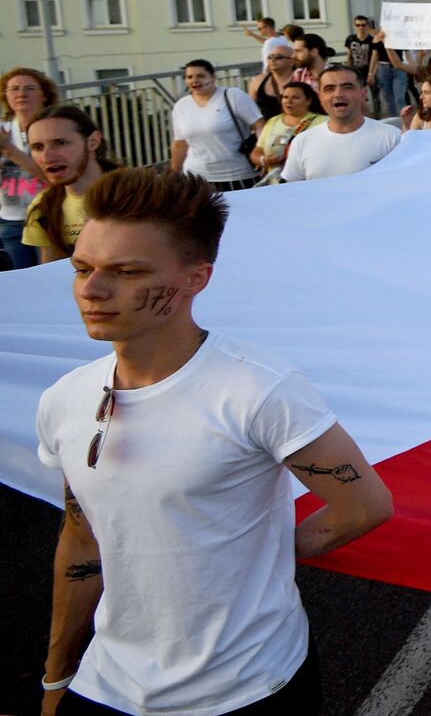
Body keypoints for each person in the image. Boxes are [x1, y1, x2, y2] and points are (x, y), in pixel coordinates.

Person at [36, 168, 392, 716]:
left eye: (127, 272)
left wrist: (273, 553)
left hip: (250, 688)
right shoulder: (64, 399)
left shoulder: (259, 391)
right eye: (82, 268)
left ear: (196, 278)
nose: (92, 290)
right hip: (107, 685)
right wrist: (57, 676)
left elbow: (363, 504)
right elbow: (82, 541)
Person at [22, 106, 122, 263]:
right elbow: (51, 273)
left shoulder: (138, 194)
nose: (47, 156)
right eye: (38, 147)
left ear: (93, 142)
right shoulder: (43, 207)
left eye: (60, 143)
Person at [280, 64, 400, 182]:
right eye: (329, 89)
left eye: (347, 87)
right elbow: (292, 192)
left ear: (363, 93)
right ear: (320, 97)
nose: (338, 94)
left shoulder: (391, 137)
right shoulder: (302, 142)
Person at [170, 59, 264, 192]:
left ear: (213, 77)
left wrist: (260, 154)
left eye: (201, 76)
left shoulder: (233, 96)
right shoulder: (181, 106)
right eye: (189, 77)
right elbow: (179, 143)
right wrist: (174, 174)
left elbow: (260, 126)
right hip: (197, 176)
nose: (195, 81)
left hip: (237, 174)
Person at [1, 67, 57, 269]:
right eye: (14, 89)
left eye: (29, 88)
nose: (21, 94)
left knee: (49, 276)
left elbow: (54, 177)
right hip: (12, 219)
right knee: (18, 279)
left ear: (44, 94)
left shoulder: (55, 129)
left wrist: (10, 151)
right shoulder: (3, 129)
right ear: (6, 95)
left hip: (50, 215)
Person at [250, 81, 326, 184]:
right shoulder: (273, 122)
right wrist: (263, 160)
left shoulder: (323, 121)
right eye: (285, 97)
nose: (288, 101)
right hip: (277, 185)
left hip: (311, 182)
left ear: (308, 100)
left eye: (295, 98)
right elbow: (257, 152)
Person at [247, 41, 302, 120]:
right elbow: (250, 110)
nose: (273, 60)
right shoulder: (257, 81)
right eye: (270, 57)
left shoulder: (301, 79)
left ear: (292, 61)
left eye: (278, 57)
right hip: (267, 129)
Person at [344, 16, 376, 83]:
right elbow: (349, 56)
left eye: (363, 25)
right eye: (358, 25)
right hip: (355, 70)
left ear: (367, 26)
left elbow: (375, 58)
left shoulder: (372, 40)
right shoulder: (351, 38)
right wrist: (348, 71)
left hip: (368, 70)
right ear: (355, 26)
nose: (360, 27)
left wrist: (371, 74)